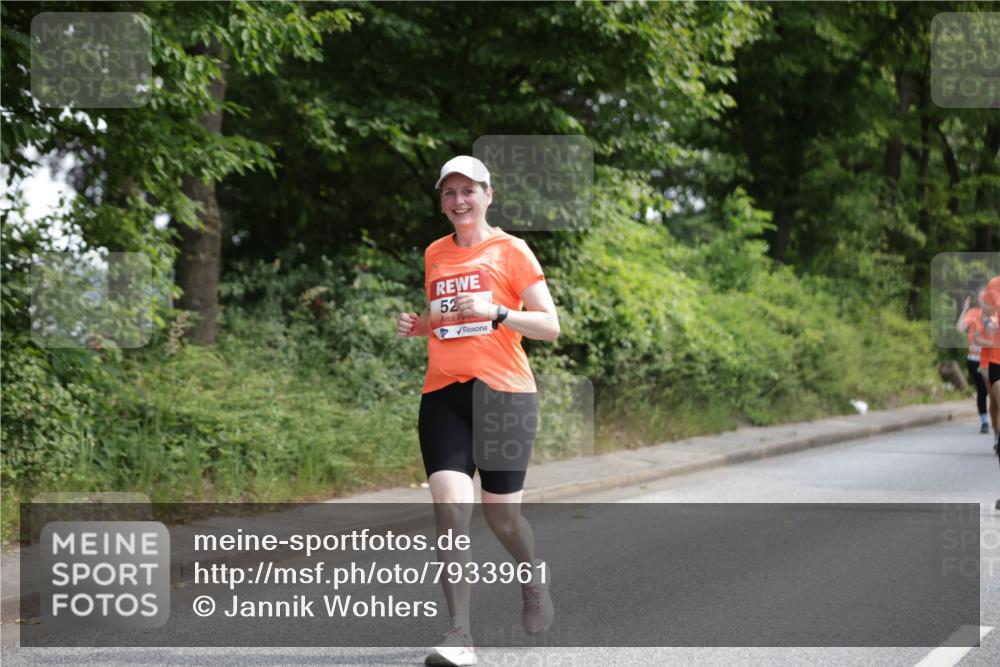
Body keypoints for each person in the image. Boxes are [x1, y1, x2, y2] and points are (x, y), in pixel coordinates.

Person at [396, 155, 559, 666]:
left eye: (469, 191)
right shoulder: (435, 253)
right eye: (450, 193)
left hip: (504, 395)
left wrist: (499, 312)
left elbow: (550, 325)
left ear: (488, 195)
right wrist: (419, 326)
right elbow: (445, 316)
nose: (459, 201)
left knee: (501, 516)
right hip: (443, 394)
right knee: (449, 511)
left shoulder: (511, 250)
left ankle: (531, 577)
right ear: (441, 201)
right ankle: (459, 634)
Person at [956, 290, 992, 433]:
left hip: (992, 360)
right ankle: (984, 422)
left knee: (994, 393)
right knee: (982, 392)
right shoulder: (973, 313)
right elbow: (960, 329)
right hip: (975, 359)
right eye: (981, 298)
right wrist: (964, 310)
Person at [973, 277, 1000, 453]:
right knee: (995, 399)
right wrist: (990, 324)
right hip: (992, 356)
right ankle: (997, 434)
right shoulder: (994, 284)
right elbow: (987, 314)